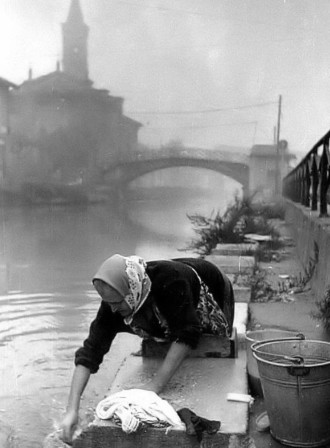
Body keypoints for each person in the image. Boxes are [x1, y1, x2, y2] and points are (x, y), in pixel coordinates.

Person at [60, 254, 234, 444]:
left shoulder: (170, 282)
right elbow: (89, 353)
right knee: (162, 328)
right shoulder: (115, 299)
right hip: (162, 291)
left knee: (207, 338)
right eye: (109, 303)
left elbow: (187, 333)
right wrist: (72, 410)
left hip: (211, 284)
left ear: (132, 290)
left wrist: (154, 386)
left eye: (117, 303)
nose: (113, 310)